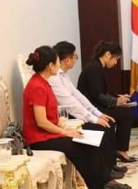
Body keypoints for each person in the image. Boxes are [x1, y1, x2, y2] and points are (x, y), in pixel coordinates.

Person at [22, 45, 131, 189]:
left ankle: (106, 185)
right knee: (81, 146)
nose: (60, 65)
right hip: (39, 139)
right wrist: (65, 132)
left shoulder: (44, 83)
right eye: (58, 62)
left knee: (88, 142)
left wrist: (63, 126)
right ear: (50, 65)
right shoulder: (37, 86)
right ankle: (103, 188)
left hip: (49, 134)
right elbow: (41, 121)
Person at [49, 41, 127, 179]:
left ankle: (109, 166)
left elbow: (78, 96)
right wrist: (94, 119)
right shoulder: (54, 78)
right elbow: (70, 103)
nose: (76, 59)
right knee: (103, 127)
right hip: (68, 116)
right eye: (75, 56)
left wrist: (98, 114)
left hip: (76, 112)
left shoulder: (63, 76)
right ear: (67, 59)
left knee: (107, 122)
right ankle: (105, 170)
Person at [77, 41, 135, 163]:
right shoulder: (94, 68)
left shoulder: (95, 66)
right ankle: (120, 150)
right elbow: (97, 96)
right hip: (91, 108)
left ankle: (119, 149)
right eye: (116, 59)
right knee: (125, 114)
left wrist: (117, 99)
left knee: (124, 112)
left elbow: (99, 93)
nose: (116, 63)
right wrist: (116, 101)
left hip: (94, 105)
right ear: (108, 54)